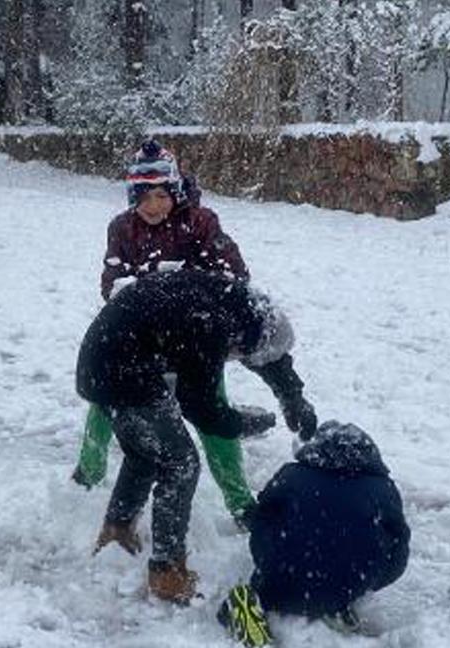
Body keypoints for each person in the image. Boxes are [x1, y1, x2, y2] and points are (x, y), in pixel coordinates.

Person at [78, 269, 317, 604]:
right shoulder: (210, 321)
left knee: (144, 454)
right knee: (181, 463)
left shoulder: (230, 304)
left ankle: (116, 532)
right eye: (236, 353)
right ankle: (167, 571)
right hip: (124, 372)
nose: (234, 357)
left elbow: (262, 352)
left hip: (101, 366)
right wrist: (242, 424)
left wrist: (292, 396)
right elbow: (199, 406)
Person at [72, 141, 268, 526]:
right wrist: (140, 288)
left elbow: (234, 278)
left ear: (174, 193)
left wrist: (184, 284)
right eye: (143, 197)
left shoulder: (200, 222)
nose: (152, 206)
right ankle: (85, 477)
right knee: (104, 404)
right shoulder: (122, 227)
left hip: (194, 342)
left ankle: (240, 500)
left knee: (212, 414)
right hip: (137, 343)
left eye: (161, 195)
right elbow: (111, 283)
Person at [221, 422, 411, 645]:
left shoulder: (291, 474)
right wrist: (369, 578)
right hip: (351, 583)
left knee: (270, 521)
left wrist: (267, 555)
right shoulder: (383, 488)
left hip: (281, 579)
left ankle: (250, 604)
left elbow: (261, 516)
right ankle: (335, 602)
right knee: (355, 549)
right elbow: (400, 542)